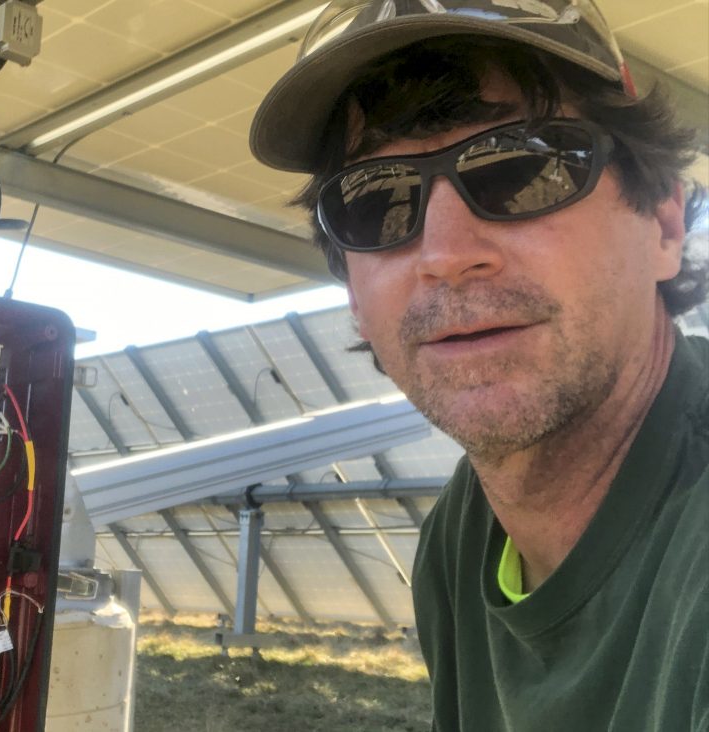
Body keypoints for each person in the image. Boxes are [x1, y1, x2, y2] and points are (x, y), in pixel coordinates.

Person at [249, 1, 708, 730]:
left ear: (662, 224)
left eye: (522, 167)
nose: (445, 255)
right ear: (354, 298)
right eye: (377, 203)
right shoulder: (464, 536)